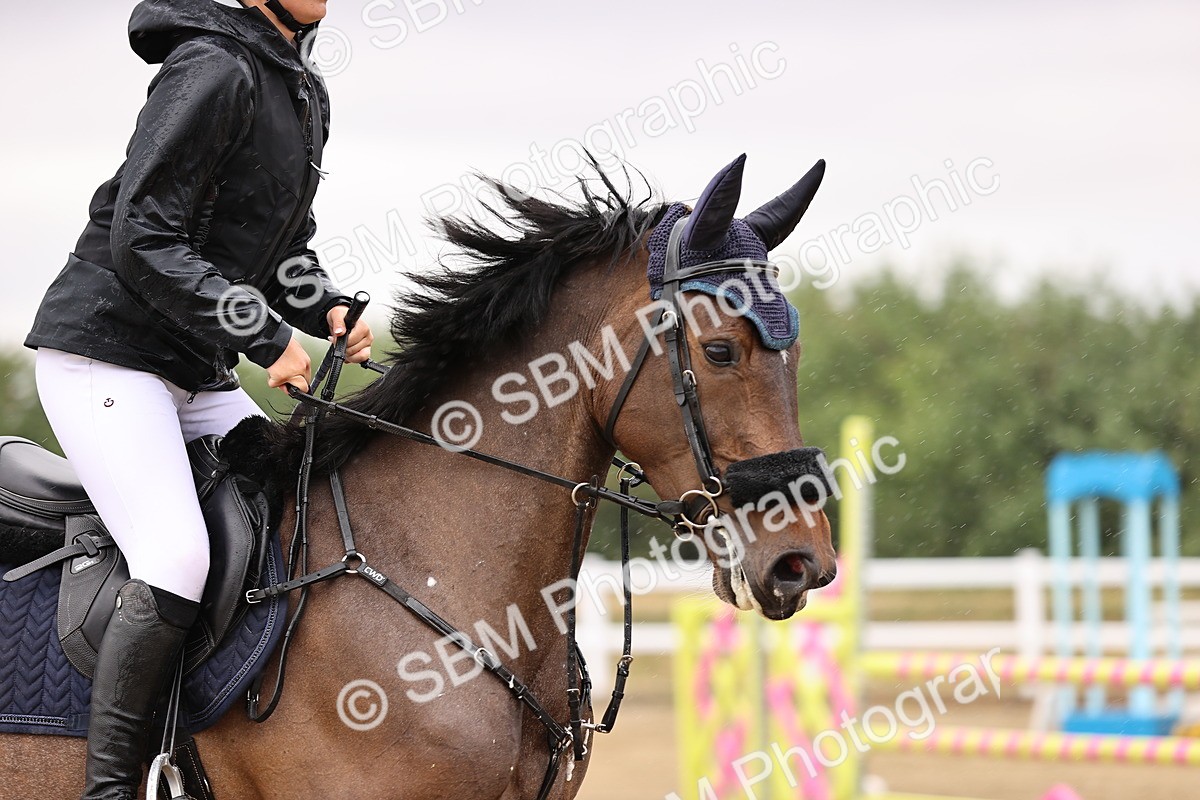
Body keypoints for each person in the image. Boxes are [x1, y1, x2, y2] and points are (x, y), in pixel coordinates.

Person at [23, 0, 372, 797]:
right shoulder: (213, 67)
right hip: (105, 357)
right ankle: (111, 786)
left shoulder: (300, 87)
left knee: (293, 507)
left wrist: (324, 308)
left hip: (193, 369)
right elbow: (142, 234)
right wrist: (266, 338)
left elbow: (283, 250)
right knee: (176, 555)